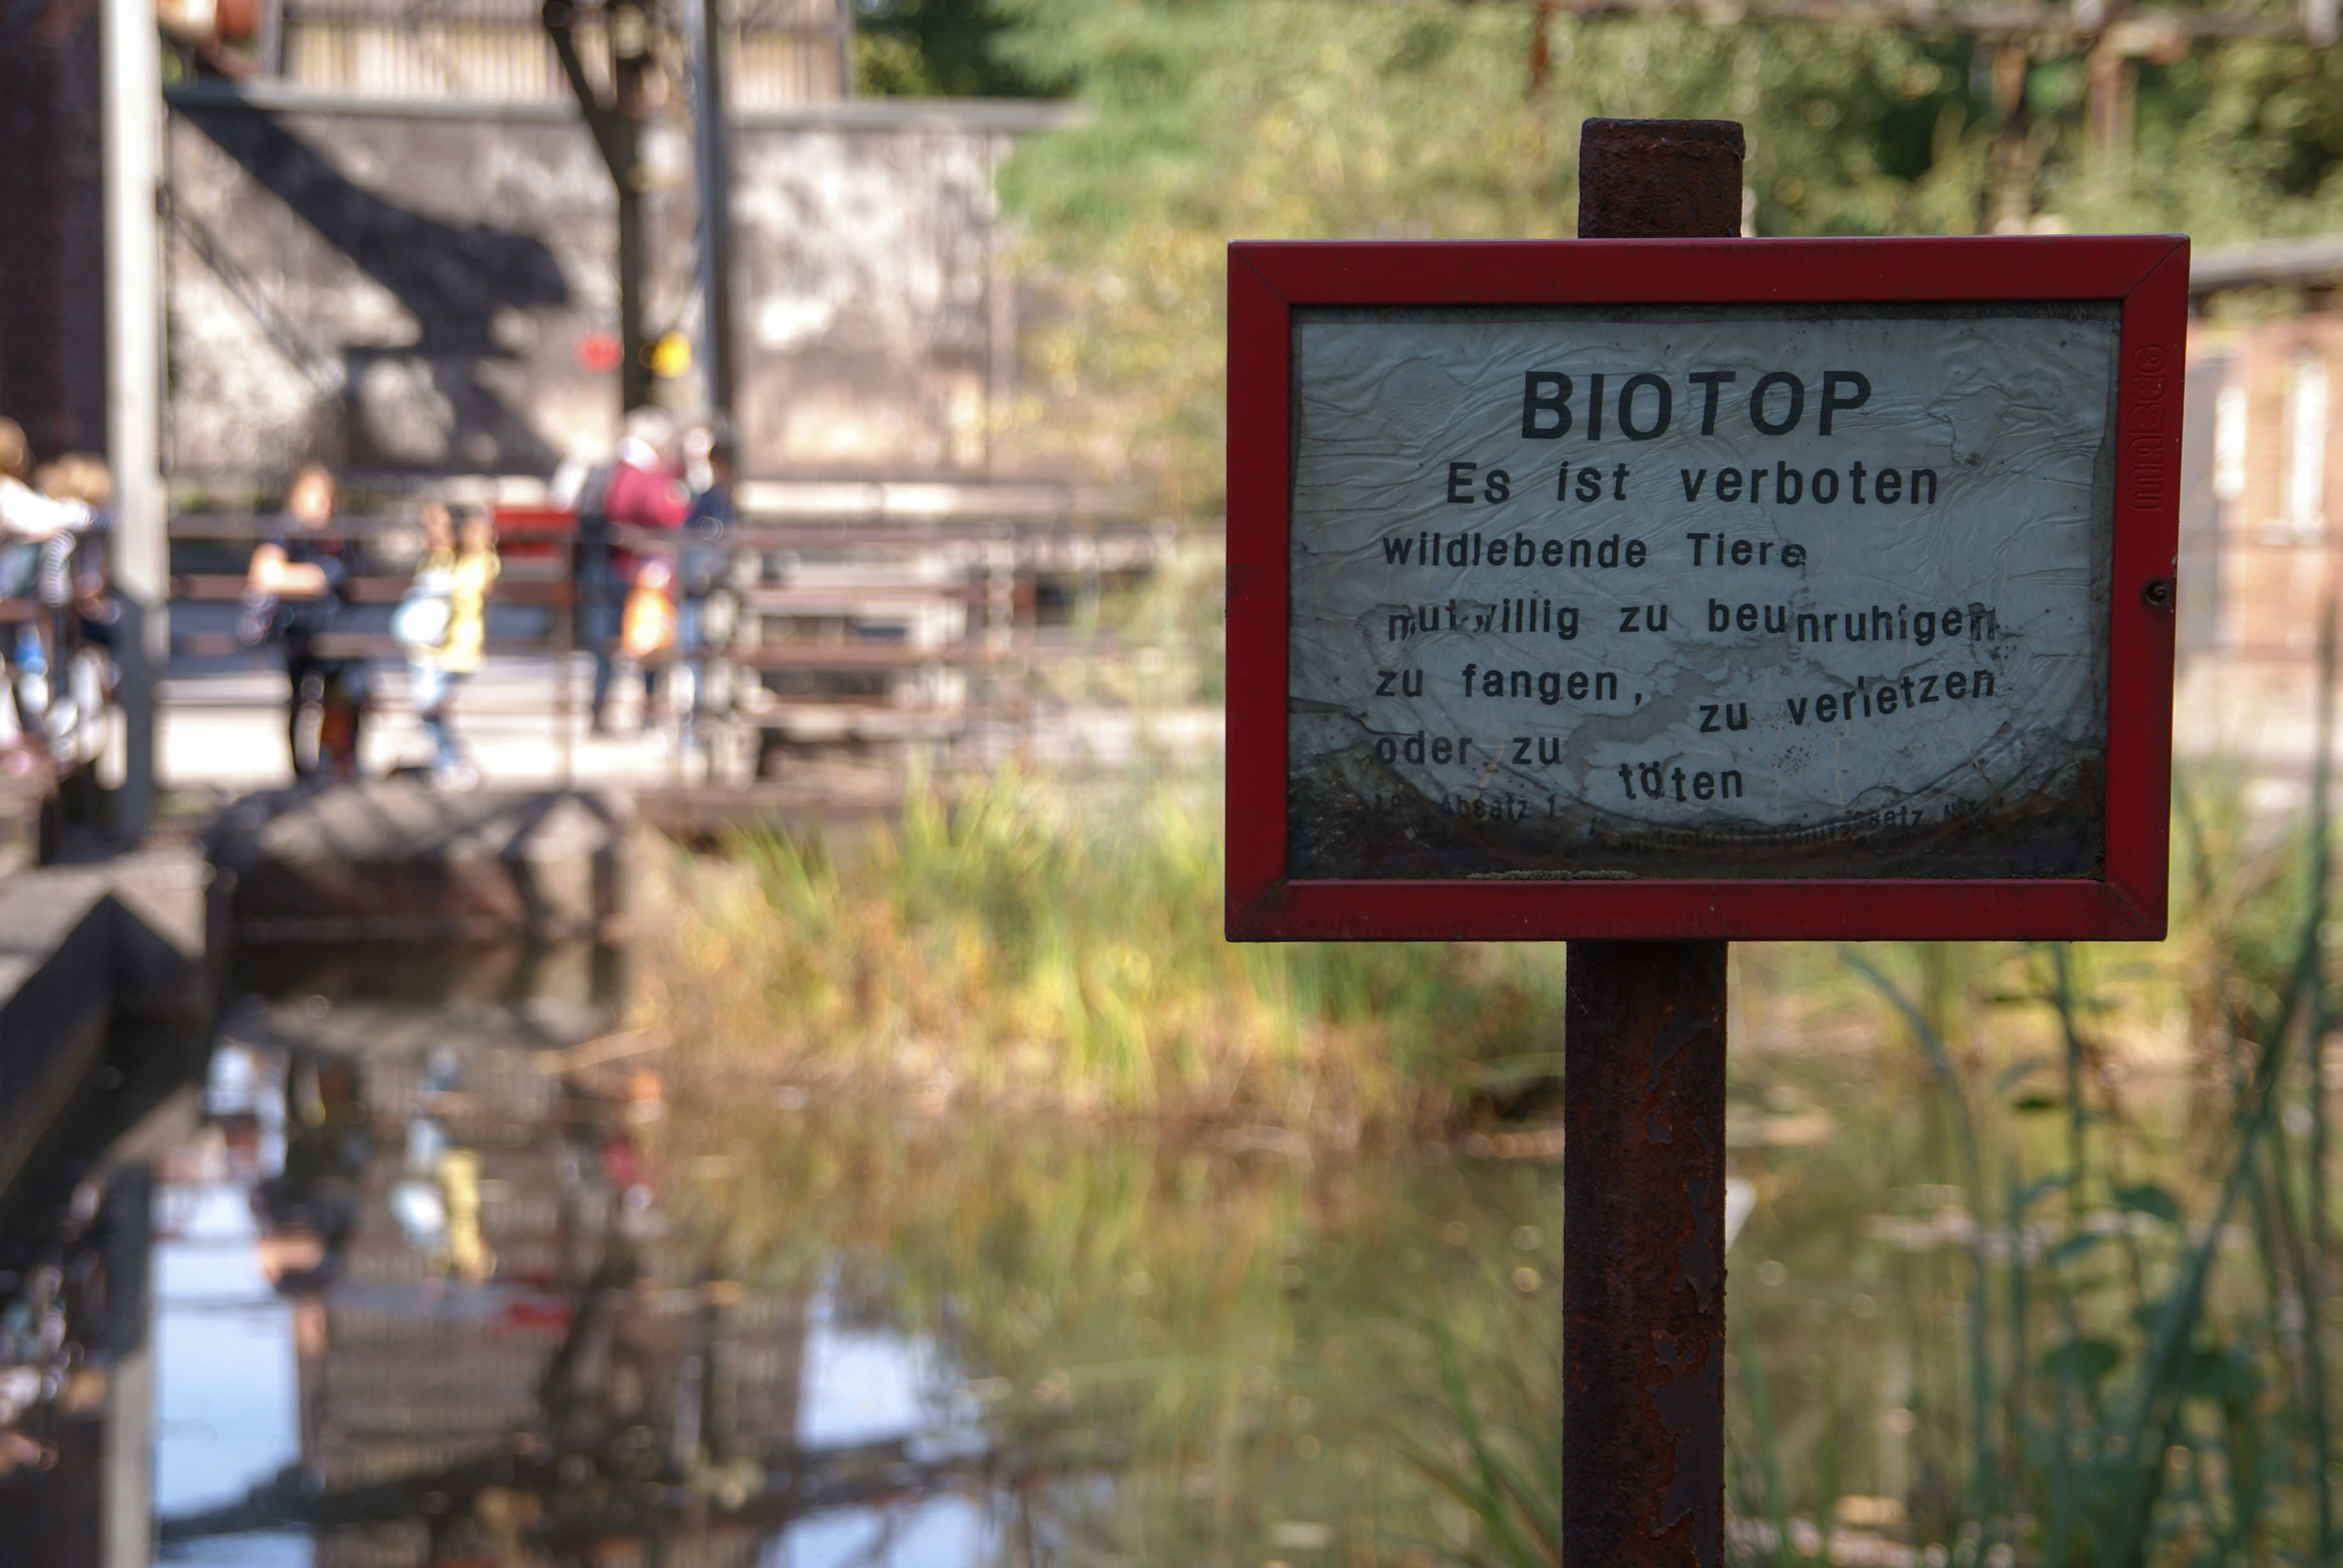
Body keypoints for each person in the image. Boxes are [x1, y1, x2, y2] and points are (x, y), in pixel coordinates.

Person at [246, 462, 366, 781]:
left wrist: (311, 578)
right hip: (297, 627)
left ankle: (336, 760)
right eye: (315, 498)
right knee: (299, 698)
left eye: (327, 499)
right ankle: (300, 768)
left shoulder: (336, 537)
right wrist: (314, 578)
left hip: (332, 630)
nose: (322, 507)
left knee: (345, 694)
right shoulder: (288, 534)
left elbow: (345, 577)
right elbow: (266, 573)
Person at [579, 407, 688, 733]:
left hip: (611, 568)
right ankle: (645, 712)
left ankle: (602, 711)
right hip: (634, 572)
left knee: (610, 644)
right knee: (645, 642)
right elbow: (665, 513)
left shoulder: (616, 468)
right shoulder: (641, 473)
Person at [0, 420, 93, 773]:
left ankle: (24, 738)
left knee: (17, 667)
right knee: (22, 668)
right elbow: (53, 518)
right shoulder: (9, 493)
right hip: (10, 600)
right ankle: (27, 739)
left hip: (10, 601)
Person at [400, 503, 498, 788]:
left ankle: (453, 761)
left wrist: (478, 540)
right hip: (427, 648)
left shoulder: (475, 561)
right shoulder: (433, 559)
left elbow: (481, 585)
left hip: (457, 648)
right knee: (429, 709)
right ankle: (449, 761)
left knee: (430, 707)